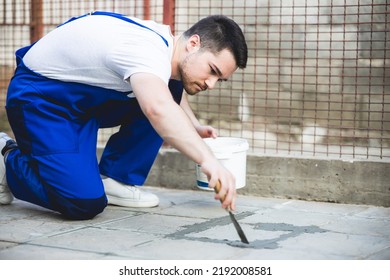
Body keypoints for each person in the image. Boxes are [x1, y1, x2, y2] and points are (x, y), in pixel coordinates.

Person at [0, 11, 248, 220]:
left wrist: (194, 126)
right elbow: (158, 107)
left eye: (220, 79)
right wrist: (210, 161)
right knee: (82, 203)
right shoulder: (144, 48)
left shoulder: (166, 49)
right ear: (193, 44)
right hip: (42, 100)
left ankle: (115, 179)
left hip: (80, 100)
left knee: (170, 86)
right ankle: (6, 161)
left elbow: (166, 94)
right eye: (212, 70)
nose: (212, 84)